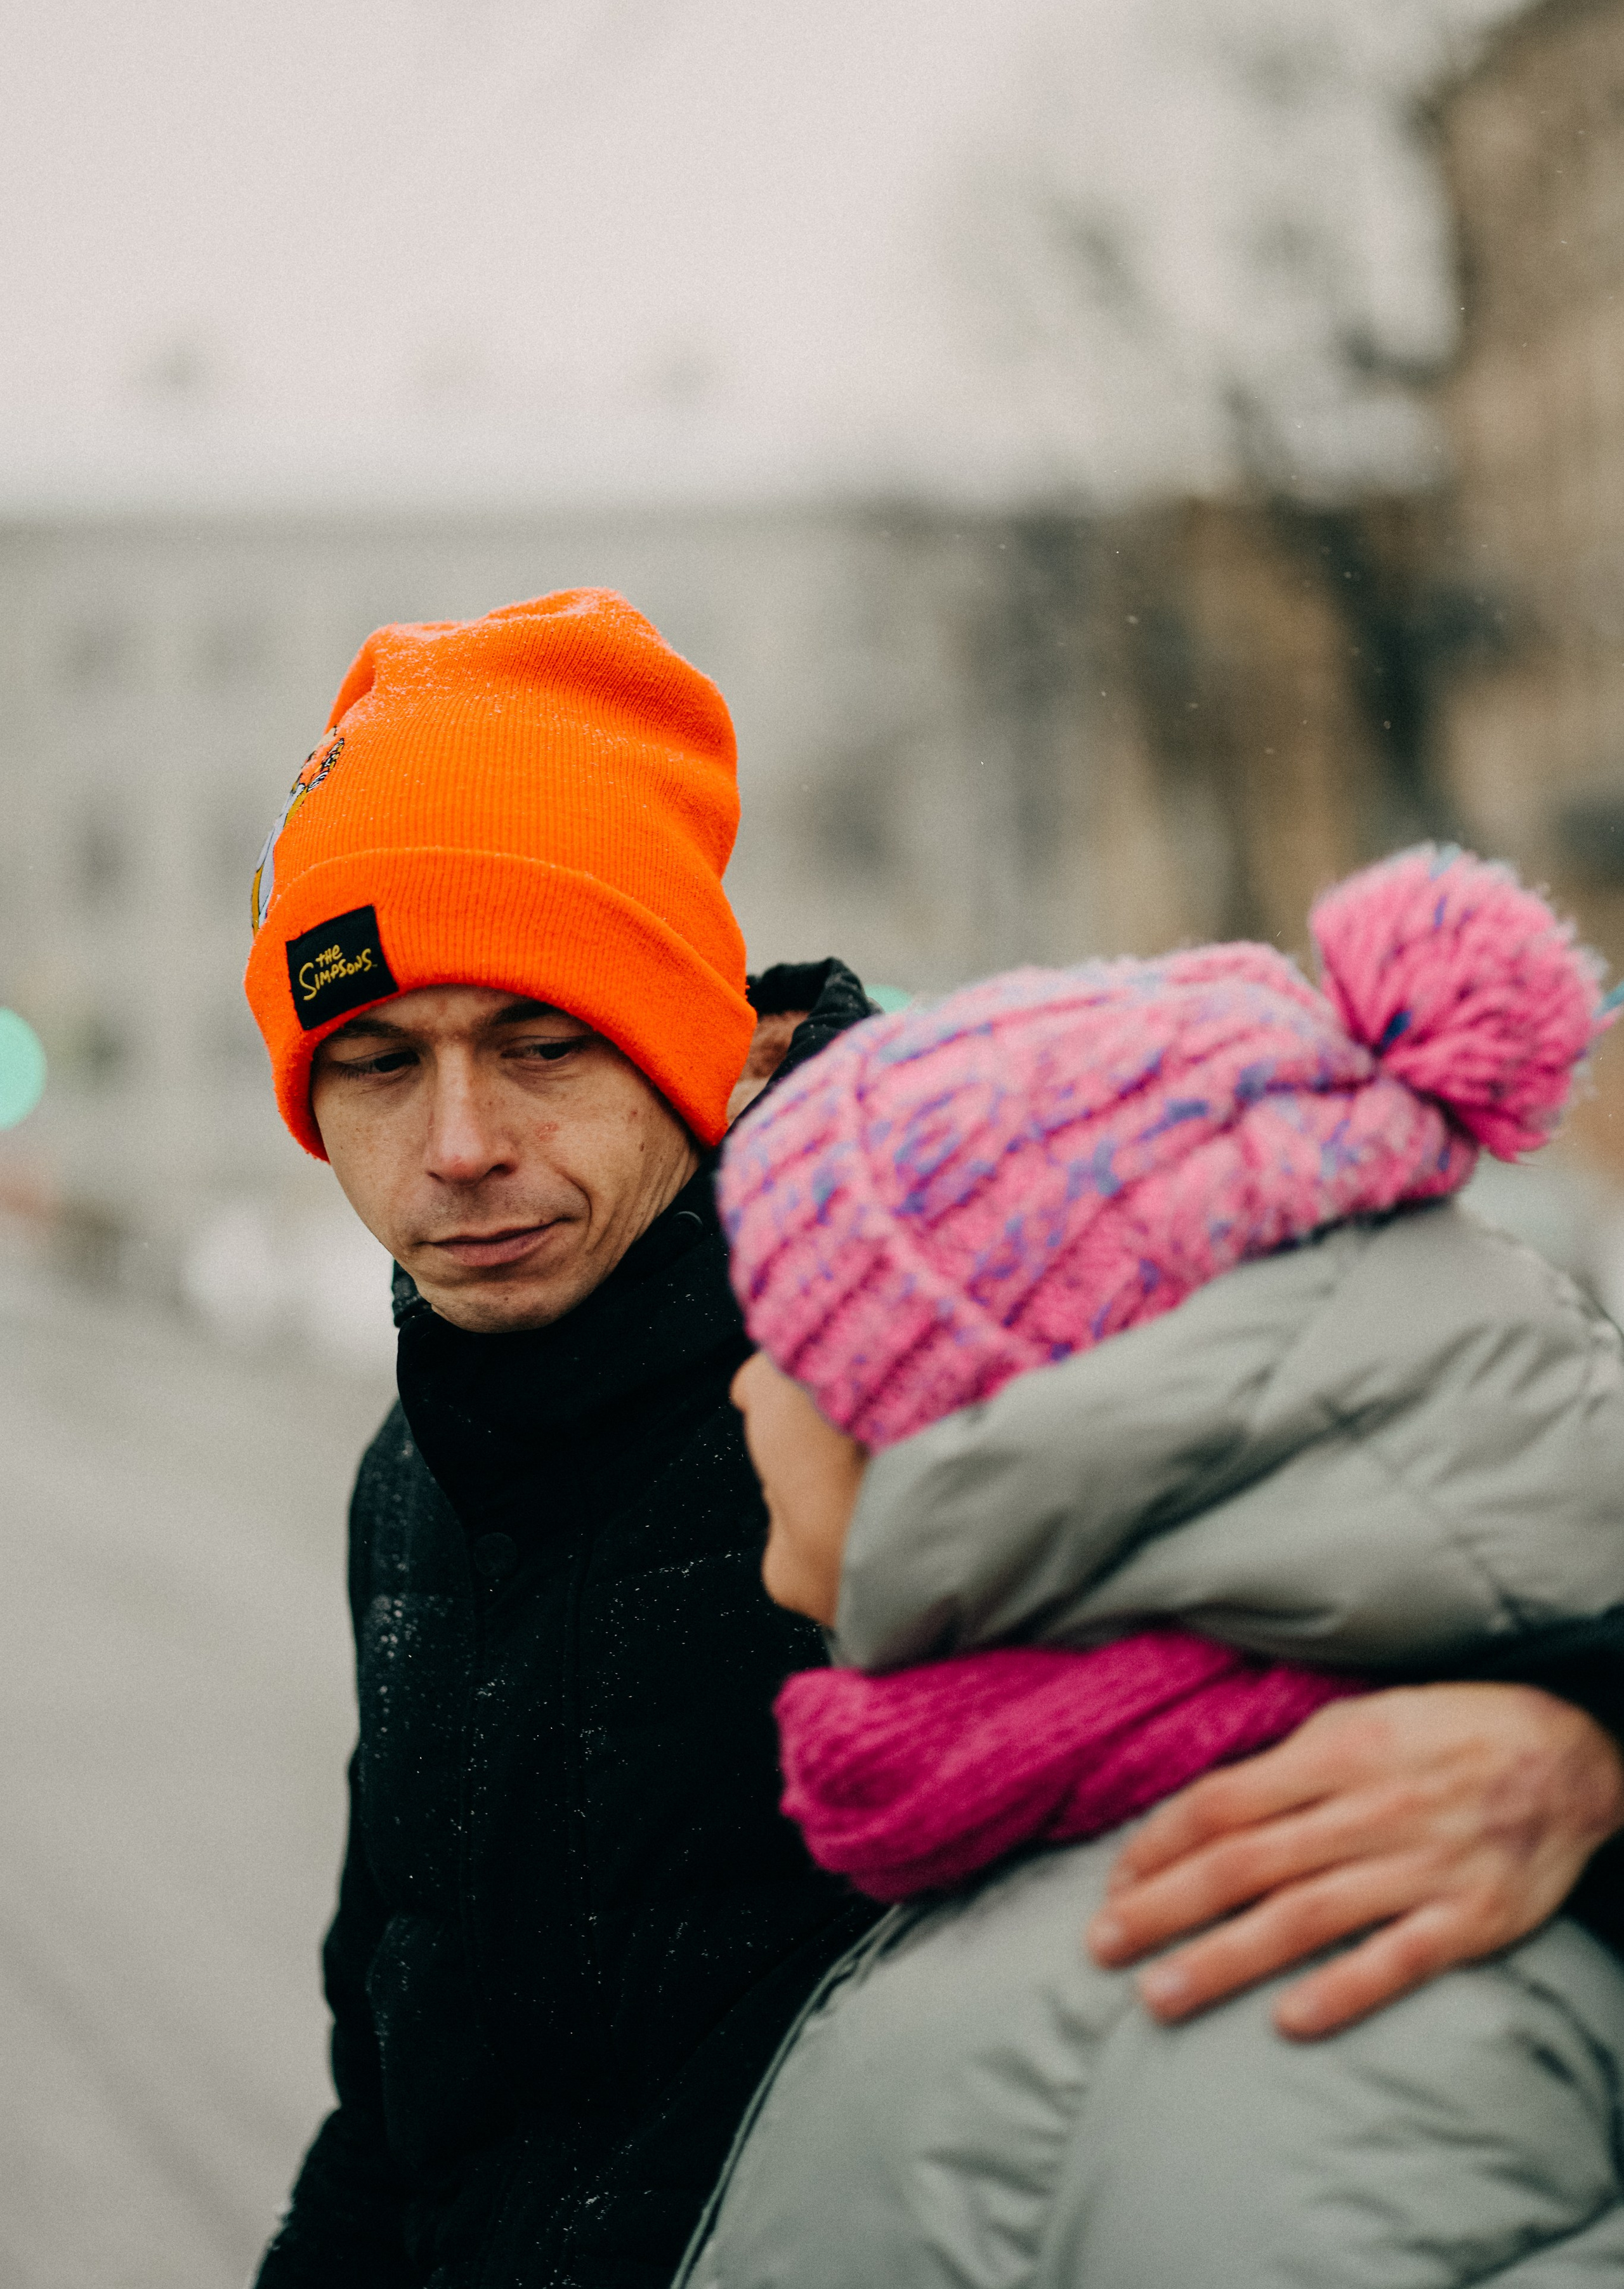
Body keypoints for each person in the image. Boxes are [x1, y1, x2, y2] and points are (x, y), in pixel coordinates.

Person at [242, 593, 1623, 2289]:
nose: (459, 1143)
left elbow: (1450, 1490)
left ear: (685, 1040)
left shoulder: (946, 1332)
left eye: (541, 1044)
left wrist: (1589, 1741)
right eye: (377, 1063)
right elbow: (403, 2099)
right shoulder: (420, 1474)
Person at [681, 846, 1624, 2289]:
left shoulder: (1283, 1983)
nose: (744, 1391)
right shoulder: (1101, 1796)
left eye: (787, 1337)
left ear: (959, 1415)